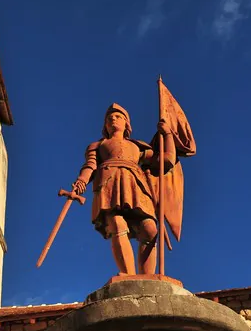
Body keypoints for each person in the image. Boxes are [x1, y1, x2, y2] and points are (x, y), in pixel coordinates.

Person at [72, 103, 176, 276]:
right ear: (105, 125)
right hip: (108, 183)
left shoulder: (137, 147)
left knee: (150, 229)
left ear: (127, 123)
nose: (113, 119)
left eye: (118, 116)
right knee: (117, 223)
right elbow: (90, 165)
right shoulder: (98, 146)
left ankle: (146, 278)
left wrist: (168, 134)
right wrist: (82, 180)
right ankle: (128, 276)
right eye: (109, 118)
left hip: (136, 185)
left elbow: (167, 160)